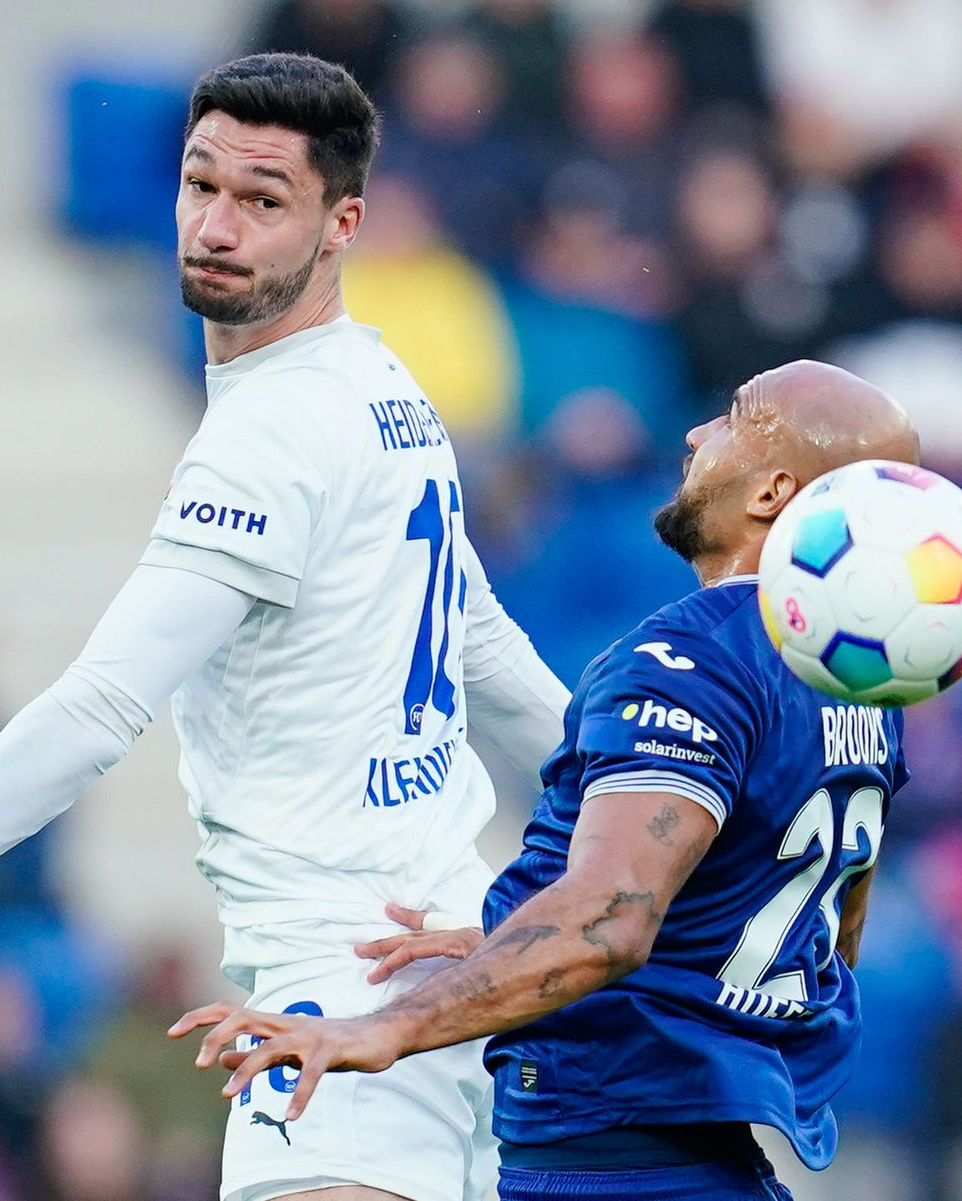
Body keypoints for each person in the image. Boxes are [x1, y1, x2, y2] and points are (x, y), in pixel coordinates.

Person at [0, 53, 570, 1201]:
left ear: (342, 223)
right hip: (458, 960)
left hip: (341, 992)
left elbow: (102, 707)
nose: (217, 224)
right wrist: (620, 796)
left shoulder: (268, 435)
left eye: (263, 200)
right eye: (202, 186)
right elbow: (480, 644)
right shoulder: (384, 387)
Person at [172, 360, 920, 1200]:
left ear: (772, 490)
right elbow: (824, 933)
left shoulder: (690, 658)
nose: (696, 435)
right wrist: (513, 930)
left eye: (732, 418)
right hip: (710, 1162)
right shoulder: (859, 687)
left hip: (607, 1165)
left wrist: (382, 1028)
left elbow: (612, 918)